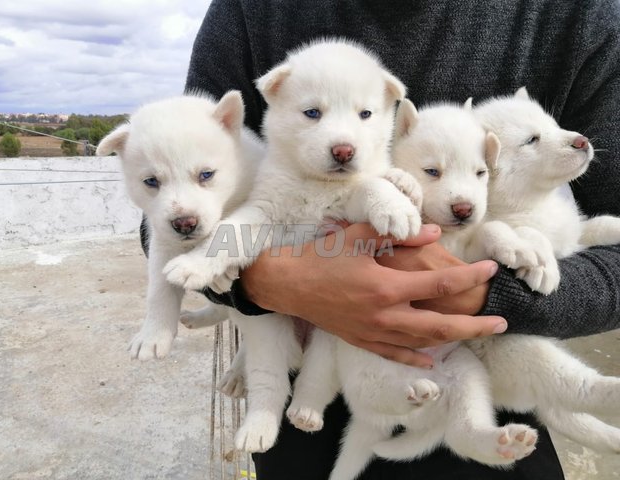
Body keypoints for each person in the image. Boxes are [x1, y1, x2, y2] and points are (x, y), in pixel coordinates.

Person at [183, 0, 620, 478]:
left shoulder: (577, 16)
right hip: (304, 419)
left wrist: (487, 294)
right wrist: (266, 284)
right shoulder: (249, 12)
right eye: (313, 111)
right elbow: (173, 207)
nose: (343, 140)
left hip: (485, 385)